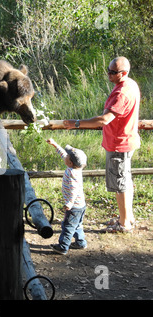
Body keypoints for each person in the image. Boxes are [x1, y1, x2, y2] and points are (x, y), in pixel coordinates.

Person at [63, 56, 140, 233]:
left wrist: (76, 123)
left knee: (119, 184)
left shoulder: (122, 93)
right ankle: (127, 217)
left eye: (113, 72)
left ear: (124, 73)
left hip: (119, 143)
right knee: (125, 181)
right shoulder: (130, 84)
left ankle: (124, 224)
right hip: (127, 140)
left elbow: (104, 120)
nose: (109, 74)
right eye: (108, 70)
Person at [46, 138, 88, 255]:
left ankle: (63, 246)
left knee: (68, 226)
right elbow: (64, 154)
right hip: (81, 205)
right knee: (77, 224)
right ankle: (80, 242)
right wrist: (55, 144)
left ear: (70, 163)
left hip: (74, 206)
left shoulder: (71, 173)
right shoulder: (76, 168)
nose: (65, 156)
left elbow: (74, 190)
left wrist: (69, 203)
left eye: (67, 157)